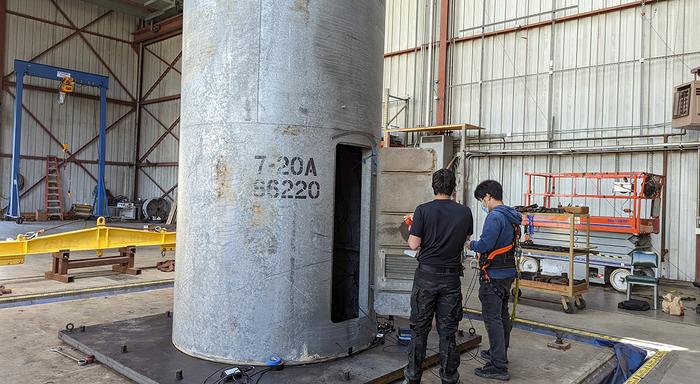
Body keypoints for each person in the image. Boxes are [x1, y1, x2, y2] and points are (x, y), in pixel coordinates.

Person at [403, 169, 473, 384]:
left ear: (433, 187)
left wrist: (412, 226)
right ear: (454, 188)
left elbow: (414, 244)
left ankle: (413, 378)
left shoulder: (422, 211)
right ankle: (450, 378)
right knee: (448, 331)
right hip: (451, 279)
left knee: (419, 330)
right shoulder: (465, 212)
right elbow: (466, 239)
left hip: (426, 277)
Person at [467, 180, 522, 381]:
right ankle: (499, 353)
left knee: (493, 319)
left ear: (489, 196)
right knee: (501, 315)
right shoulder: (511, 215)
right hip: (507, 273)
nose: (483, 203)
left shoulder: (495, 217)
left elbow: (485, 244)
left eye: (482, 199)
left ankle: (498, 365)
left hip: (494, 276)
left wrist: (469, 244)